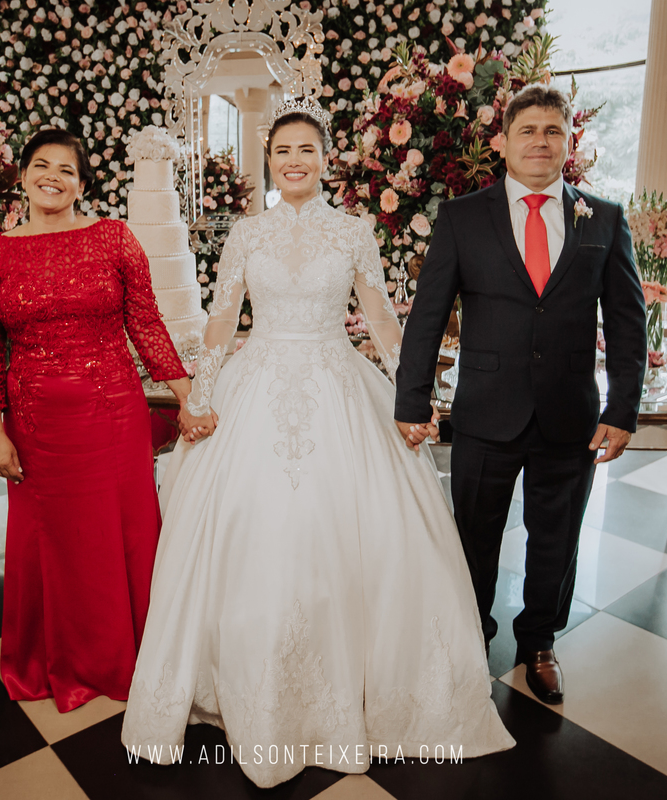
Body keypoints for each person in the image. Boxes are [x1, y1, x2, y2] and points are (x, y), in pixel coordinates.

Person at [120, 98, 514, 788]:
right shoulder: (245, 233)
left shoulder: (355, 231)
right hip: (258, 380)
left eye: (307, 149)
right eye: (282, 151)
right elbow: (219, 322)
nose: (295, 161)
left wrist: (411, 393)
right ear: (268, 161)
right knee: (248, 528)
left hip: (339, 382)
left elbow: (385, 320)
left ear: (325, 160)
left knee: (361, 534)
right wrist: (203, 396)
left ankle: (362, 700)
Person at [395, 84, 647, 705]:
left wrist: (622, 409)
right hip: (486, 410)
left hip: (570, 414)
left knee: (556, 538)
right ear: (502, 141)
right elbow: (429, 314)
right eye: (528, 130)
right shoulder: (461, 217)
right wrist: (411, 399)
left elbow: (626, 320)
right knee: (474, 534)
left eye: (553, 130)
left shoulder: (605, 219)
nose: (540, 141)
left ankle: (539, 641)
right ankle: (469, 637)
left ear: (569, 142)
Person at [0, 128, 207, 712]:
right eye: (41, 165)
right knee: (48, 543)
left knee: (119, 535)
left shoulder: (114, 238)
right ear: (22, 175)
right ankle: (53, 663)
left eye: (66, 170)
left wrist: (187, 396)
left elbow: (146, 324)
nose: (52, 177)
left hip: (111, 413)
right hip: (33, 424)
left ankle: (132, 659)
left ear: (82, 182)